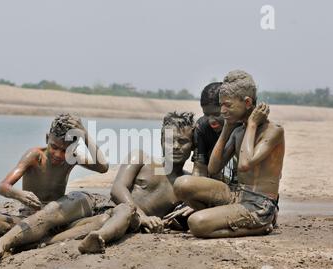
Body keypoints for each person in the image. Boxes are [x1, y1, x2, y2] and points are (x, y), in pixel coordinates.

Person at [0, 113, 112, 259]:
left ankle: (9, 242)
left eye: (64, 150)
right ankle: (40, 236)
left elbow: (103, 167)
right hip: (31, 216)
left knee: (62, 212)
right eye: (54, 147)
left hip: (59, 215)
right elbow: (2, 187)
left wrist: (85, 134)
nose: (58, 154)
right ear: (46, 139)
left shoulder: (72, 158)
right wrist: (18, 194)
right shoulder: (35, 156)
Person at [173, 70, 284, 238]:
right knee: (182, 184)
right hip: (236, 194)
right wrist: (227, 128)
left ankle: (260, 226)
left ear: (247, 103)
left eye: (228, 105)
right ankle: (219, 217)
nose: (223, 110)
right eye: (221, 105)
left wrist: (252, 124)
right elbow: (213, 167)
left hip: (259, 203)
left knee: (196, 224)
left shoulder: (273, 131)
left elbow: (245, 164)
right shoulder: (238, 131)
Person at [77, 111, 195, 254]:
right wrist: (142, 216)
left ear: (193, 146)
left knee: (122, 215)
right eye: (170, 141)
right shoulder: (141, 159)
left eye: (183, 141)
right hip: (107, 207)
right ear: (161, 142)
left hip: (127, 222)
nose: (176, 146)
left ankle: (98, 238)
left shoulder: (188, 184)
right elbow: (117, 189)